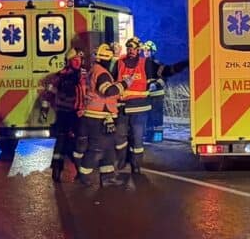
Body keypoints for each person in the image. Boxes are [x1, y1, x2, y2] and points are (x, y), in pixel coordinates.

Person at [112, 36, 188, 174]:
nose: (131, 51)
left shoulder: (146, 64)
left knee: (137, 139)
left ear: (138, 50)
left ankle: (136, 165)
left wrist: (183, 64)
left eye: (133, 49)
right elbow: (111, 84)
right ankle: (122, 158)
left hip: (139, 108)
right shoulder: (119, 64)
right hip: (122, 108)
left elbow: (166, 71)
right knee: (120, 137)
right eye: (129, 48)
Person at [75, 43, 125, 188]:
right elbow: (107, 91)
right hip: (98, 117)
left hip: (99, 115)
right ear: (106, 59)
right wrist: (124, 84)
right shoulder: (102, 73)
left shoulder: (95, 69)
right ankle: (84, 174)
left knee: (108, 148)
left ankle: (108, 177)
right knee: (97, 148)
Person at [46, 50, 84, 181]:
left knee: (73, 143)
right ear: (69, 61)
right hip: (67, 113)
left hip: (76, 113)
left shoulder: (82, 74)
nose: (77, 62)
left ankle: (79, 170)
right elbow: (50, 89)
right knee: (64, 143)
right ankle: (58, 170)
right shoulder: (63, 75)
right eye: (75, 60)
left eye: (79, 60)